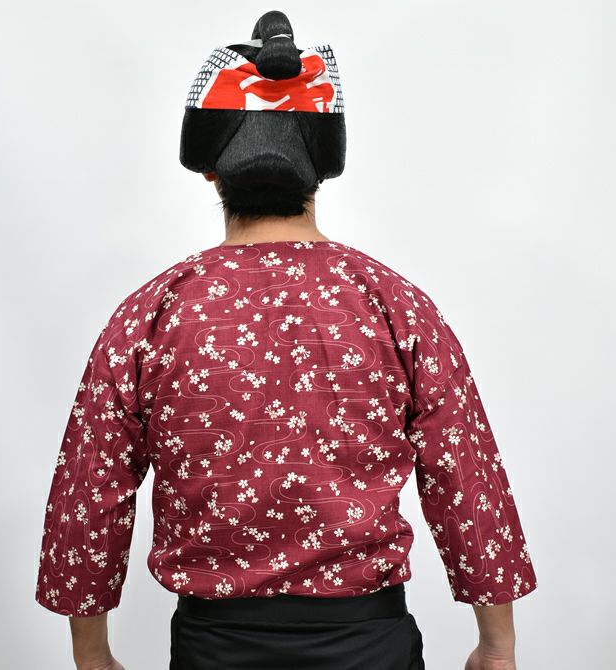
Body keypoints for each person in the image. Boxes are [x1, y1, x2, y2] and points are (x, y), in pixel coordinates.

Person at [34, 10, 538, 670]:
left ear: (211, 172)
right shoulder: (396, 307)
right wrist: (497, 647)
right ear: (321, 169)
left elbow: (89, 494)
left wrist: (93, 656)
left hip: (214, 648)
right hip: (370, 647)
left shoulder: (153, 315)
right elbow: (466, 479)